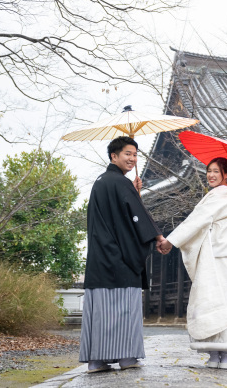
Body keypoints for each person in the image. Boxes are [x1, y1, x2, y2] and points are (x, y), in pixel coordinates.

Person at [79, 136, 168, 373]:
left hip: (100, 259)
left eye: (135, 154)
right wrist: (158, 237)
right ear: (113, 156)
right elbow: (135, 218)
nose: (132, 158)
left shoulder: (101, 181)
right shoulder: (120, 183)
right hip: (120, 258)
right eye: (127, 153)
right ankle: (127, 357)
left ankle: (97, 360)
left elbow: (120, 214)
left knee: (99, 311)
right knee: (124, 309)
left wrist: (134, 192)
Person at [157, 157, 227, 370]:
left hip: (217, 259)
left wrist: (170, 241)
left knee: (212, 300)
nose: (210, 175)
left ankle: (214, 354)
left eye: (216, 171)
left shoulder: (215, 199)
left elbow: (195, 222)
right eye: (209, 171)